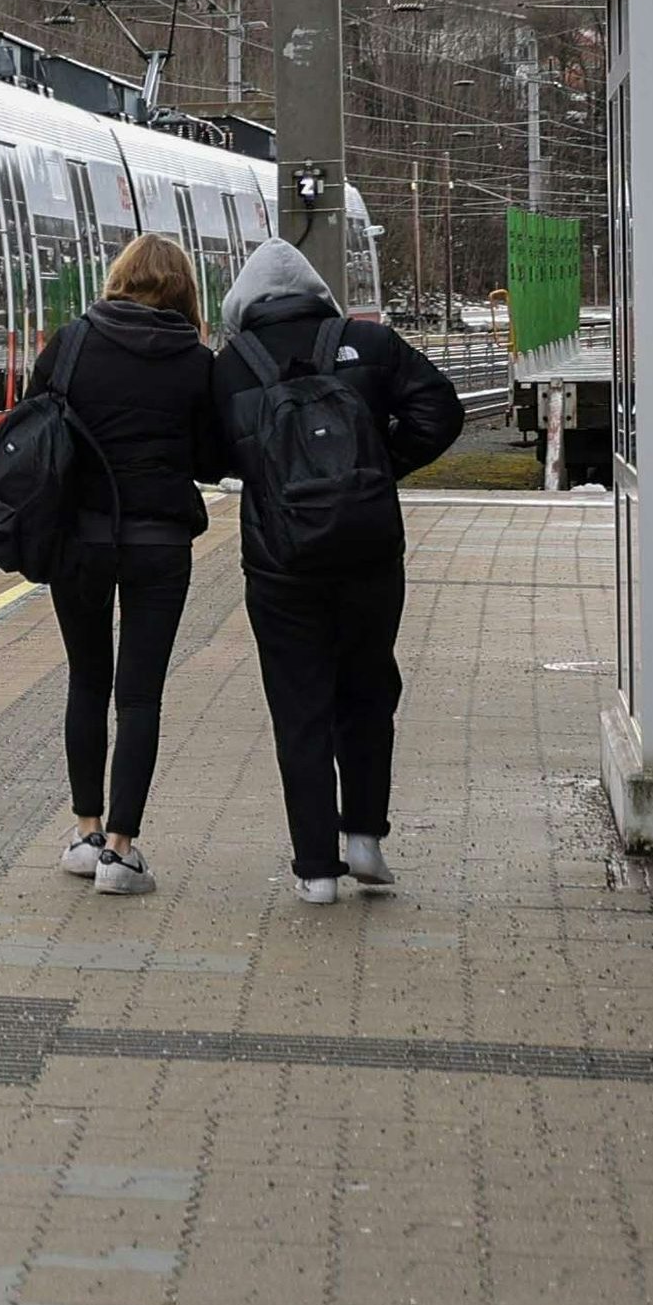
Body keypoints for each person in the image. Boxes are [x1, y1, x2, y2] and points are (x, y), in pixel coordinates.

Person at [209, 237, 463, 903]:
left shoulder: (230, 367)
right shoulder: (370, 343)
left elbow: (205, 453)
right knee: (368, 690)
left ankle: (316, 870)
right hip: (369, 555)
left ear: (242, 305)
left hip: (280, 563)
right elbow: (442, 410)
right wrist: (375, 470)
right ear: (319, 293)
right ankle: (366, 841)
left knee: (299, 707)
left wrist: (277, 481)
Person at [28, 232, 225, 897]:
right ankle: (121, 851)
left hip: (79, 541)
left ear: (119, 280)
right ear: (184, 291)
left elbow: (34, 425)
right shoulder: (196, 362)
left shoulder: (71, 344)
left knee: (87, 679)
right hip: (159, 544)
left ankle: (84, 833)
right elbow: (211, 460)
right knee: (140, 694)